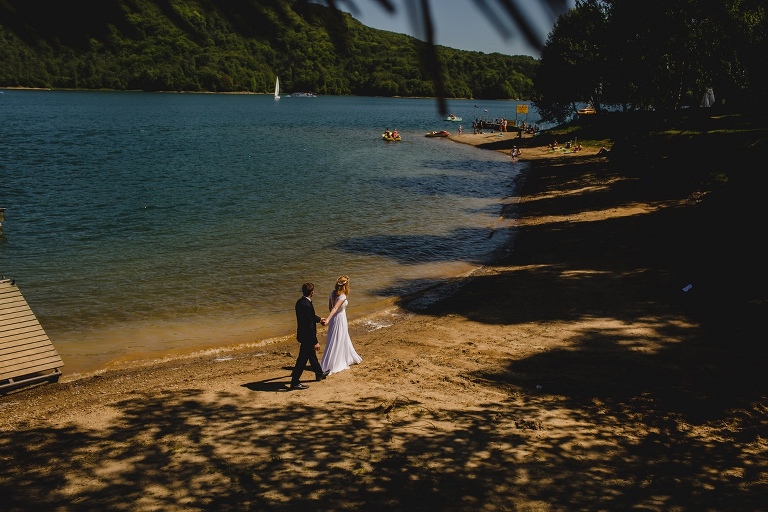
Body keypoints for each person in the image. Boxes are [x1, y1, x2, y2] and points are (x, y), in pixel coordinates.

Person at [290, 282, 330, 390]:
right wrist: (315, 341)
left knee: (311, 356)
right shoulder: (307, 305)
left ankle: (319, 373)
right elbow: (309, 326)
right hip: (308, 337)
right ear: (312, 292)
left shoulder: (299, 302)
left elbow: (309, 317)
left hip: (302, 335)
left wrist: (319, 319)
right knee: (302, 360)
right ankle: (294, 382)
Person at [320, 275, 362, 375]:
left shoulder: (332, 293)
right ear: (345, 285)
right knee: (339, 338)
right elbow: (334, 309)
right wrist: (328, 320)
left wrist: (330, 319)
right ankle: (336, 362)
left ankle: (337, 359)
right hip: (340, 319)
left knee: (334, 339)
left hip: (335, 318)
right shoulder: (342, 296)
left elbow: (330, 308)